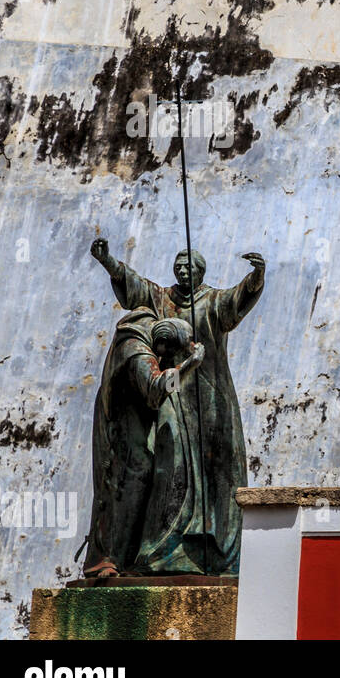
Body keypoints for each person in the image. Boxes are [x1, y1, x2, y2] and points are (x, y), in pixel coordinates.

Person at [89, 238, 264, 574]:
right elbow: (134, 284)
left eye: (190, 266)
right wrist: (108, 260)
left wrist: (256, 276)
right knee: (171, 468)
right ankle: (166, 549)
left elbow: (236, 300)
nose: (183, 271)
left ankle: (216, 551)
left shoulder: (212, 301)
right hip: (171, 393)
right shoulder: (161, 299)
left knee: (218, 469)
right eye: (179, 265)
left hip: (211, 397)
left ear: (200, 272)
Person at [83, 311, 203, 577]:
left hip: (132, 425)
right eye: (165, 355)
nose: (162, 361)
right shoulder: (137, 349)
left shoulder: (144, 339)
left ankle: (121, 556)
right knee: (123, 484)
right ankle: (107, 557)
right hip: (122, 428)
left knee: (138, 479)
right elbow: (153, 389)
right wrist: (187, 367)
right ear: (162, 344)